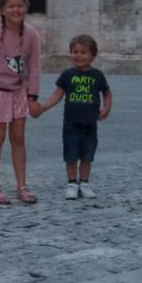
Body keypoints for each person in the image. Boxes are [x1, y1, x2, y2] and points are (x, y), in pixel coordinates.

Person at [0, 0, 42, 205]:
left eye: (20, 5)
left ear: (26, 7)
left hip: (19, 93)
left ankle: (21, 185)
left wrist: (32, 95)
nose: (16, 10)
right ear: (2, 10)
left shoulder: (31, 34)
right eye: (11, 6)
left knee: (19, 139)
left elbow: (34, 66)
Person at [34, 34, 112, 199]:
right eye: (75, 51)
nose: (78, 55)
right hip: (71, 124)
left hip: (90, 124)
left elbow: (107, 92)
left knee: (87, 155)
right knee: (71, 155)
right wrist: (43, 107)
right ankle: (71, 183)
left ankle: (84, 183)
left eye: (83, 52)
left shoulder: (97, 75)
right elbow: (57, 94)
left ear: (92, 56)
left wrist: (106, 108)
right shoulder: (67, 75)